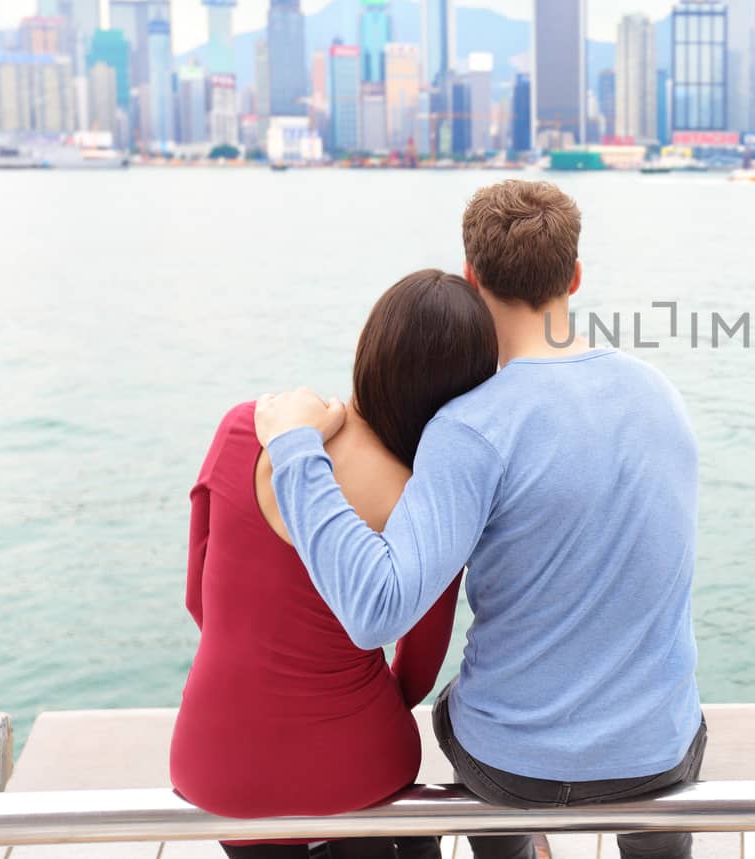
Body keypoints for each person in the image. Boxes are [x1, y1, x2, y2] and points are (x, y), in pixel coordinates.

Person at [254, 180, 704, 859]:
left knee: (465, 722)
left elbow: (376, 609)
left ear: (472, 276)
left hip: (512, 767)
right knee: (656, 757)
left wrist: (294, 448)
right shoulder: (660, 395)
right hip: (655, 754)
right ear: (574, 277)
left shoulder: (467, 428)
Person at [172, 270, 500, 859]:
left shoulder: (244, 427)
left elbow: (199, 599)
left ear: (365, 348)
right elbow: (418, 669)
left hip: (216, 757)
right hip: (357, 764)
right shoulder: (425, 501)